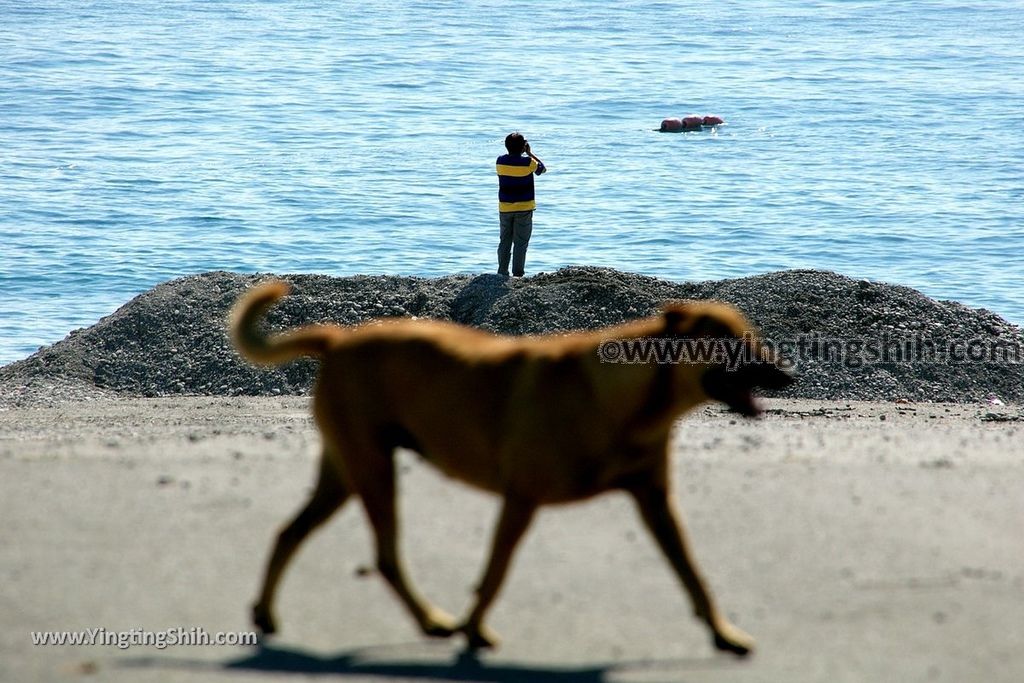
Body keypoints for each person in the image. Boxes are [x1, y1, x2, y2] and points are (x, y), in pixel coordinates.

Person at [496, 132, 546, 277]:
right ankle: (518, 274)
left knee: (505, 241)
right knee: (521, 243)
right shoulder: (528, 162)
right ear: (523, 147)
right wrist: (530, 153)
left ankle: (502, 272)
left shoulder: (500, 161)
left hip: (505, 207)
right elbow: (542, 169)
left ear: (506, 146)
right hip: (524, 207)